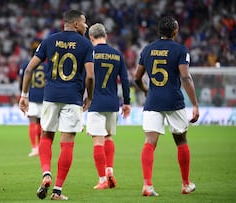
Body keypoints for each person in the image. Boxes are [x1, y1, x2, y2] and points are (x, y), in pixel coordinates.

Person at [19, 9, 94, 200]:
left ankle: (46, 173)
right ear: (76, 24)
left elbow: (28, 69)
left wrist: (24, 95)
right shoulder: (85, 44)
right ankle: (57, 190)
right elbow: (91, 75)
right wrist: (90, 97)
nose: (86, 25)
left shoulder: (49, 40)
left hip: (50, 96)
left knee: (46, 136)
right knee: (67, 143)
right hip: (73, 98)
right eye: (84, 22)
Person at [134, 16, 199, 197]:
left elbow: (137, 77)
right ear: (175, 31)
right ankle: (185, 184)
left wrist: (146, 90)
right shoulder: (180, 50)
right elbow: (185, 77)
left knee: (149, 142)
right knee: (181, 140)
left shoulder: (147, 49)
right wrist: (194, 103)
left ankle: (147, 185)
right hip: (174, 101)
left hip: (153, 101)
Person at [86, 23, 131, 190]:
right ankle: (110, 170)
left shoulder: (90, 53)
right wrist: (126, 102)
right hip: (113, 103)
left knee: (97, 141)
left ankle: (102, 179)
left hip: (95, 102)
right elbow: (125, 81)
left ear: (91, 38)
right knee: (109, 137)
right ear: (105, 35)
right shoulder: (117, 54)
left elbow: (86, 77)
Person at [19, 41, 46, 157]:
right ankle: (40, 147)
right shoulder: (46, 66)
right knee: (41, 123)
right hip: (44, 96)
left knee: (32, 122)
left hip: (32, 95)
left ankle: (34, 147)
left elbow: (22, 80)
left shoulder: (26, 64)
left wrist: (22, 93)